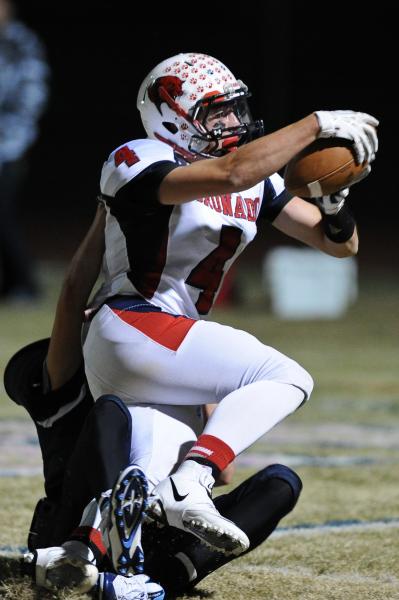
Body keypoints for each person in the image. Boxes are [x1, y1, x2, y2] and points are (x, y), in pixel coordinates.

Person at [81, 51, 378, 555]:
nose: (233, 122)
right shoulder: (139, 159)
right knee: (286, 377)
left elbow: (338, 245)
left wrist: (334, 206)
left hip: (166, 350)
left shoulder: (254, 180)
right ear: (172, 115)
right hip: (132, 323)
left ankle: (84, 554)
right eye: (215, 112)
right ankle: (195, 477)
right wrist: (316, 124)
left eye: (235, 108)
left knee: (143, 487)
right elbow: (232, 174)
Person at [5, 204, 304, 599]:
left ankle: (148, 578)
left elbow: (225, 472)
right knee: (112, 414)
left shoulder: (144, 372)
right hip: (75, 522)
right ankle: (94, 544)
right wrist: (108, 212)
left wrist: (199, 394)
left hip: (152, 522)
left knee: (282, 482)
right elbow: (72, 293)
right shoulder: (66, 392)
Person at [0, 0, 49, 301]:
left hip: (9, 145)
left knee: (3, 215)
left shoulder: (21, 44)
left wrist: (11, 137)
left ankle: (24, 284)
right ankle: (12, 283)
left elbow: (32, 95)